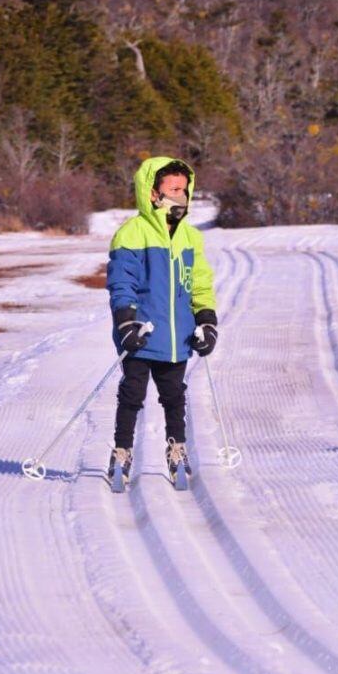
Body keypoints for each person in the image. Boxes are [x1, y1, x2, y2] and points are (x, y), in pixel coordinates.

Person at [106, 156, 217, 487]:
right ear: (153, 194)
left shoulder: (191, 238)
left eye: (185, 190)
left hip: (177, 337)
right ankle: (122, 451)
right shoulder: (132, 233)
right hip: (141, 333)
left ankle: (176, 449)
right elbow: (121, 282)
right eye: (174, 190)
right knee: (132, 395)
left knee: (174, 396)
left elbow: (200, 283)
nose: (181, 197)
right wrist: (126, 322)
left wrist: (207, 322)